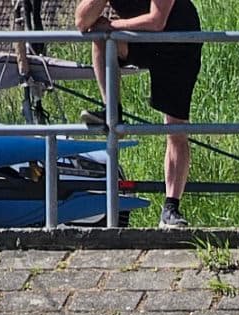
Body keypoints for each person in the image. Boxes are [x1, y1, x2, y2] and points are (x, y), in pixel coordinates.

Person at [76, 0, 201, 228]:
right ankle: (112, 111)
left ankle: (171, 208)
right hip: (143, 40)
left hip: (178, 43)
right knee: (100, 40)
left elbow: (156, 20)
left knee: (176, 130)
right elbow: (82, 21)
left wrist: (112, 26)